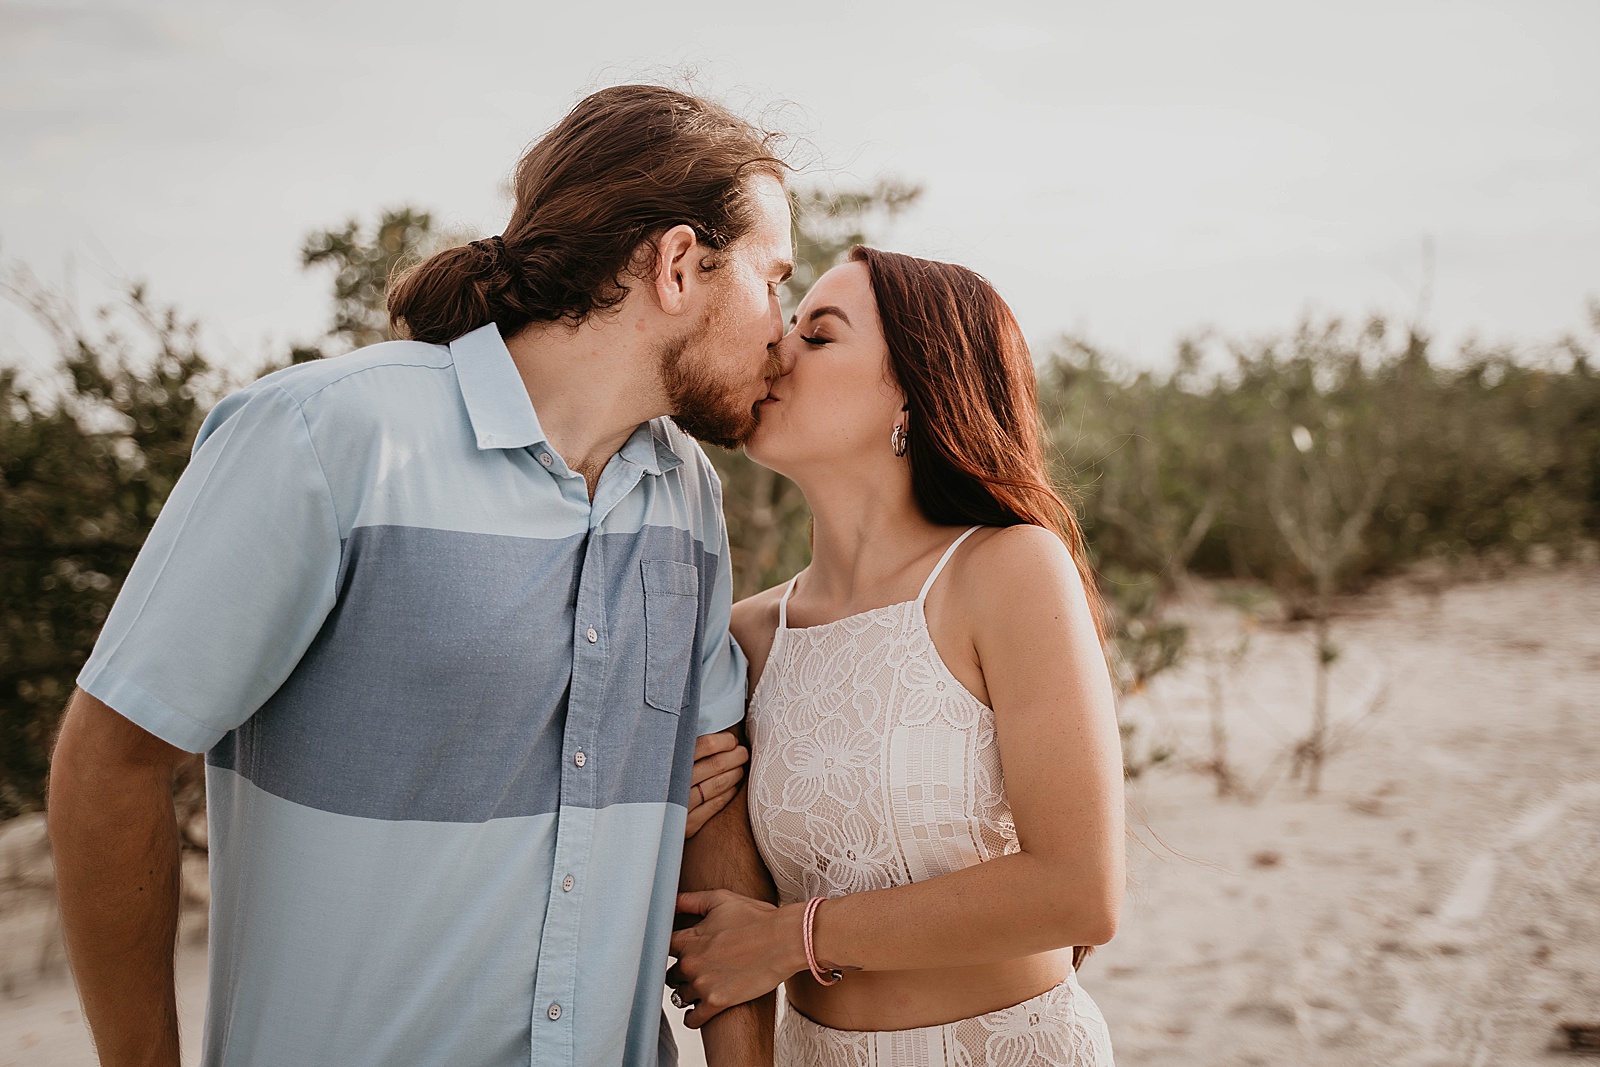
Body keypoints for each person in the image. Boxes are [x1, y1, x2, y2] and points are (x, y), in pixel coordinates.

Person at [47, 84, 789, 1067]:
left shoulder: (682, 491)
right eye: (773, 278)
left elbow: (713, 794)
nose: (783, 323)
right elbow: (109, 760)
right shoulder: (326, 436)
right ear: (680, 264)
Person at [666, 247, 1125, 1065]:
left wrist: (793, 937)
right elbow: (724, 930)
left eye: (820, 333)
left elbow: (1081, 890)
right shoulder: (744, 636)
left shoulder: (1008, 571)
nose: (778, 346)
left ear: (914, 386)